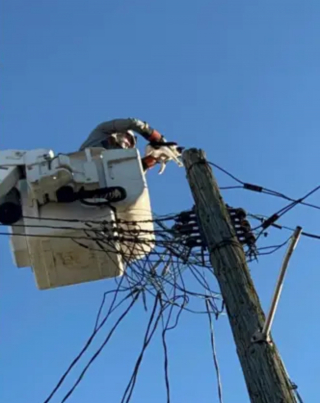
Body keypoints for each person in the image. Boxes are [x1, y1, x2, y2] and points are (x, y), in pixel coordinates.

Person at [79, 118, 169, 171]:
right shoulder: (102, 132)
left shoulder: (123, 165)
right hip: (79, 169)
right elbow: (134, 123)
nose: (127, 142)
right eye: (127, 136)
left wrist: (156, 157)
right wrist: (158, 138)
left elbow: (138, 170)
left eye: (130, 143)